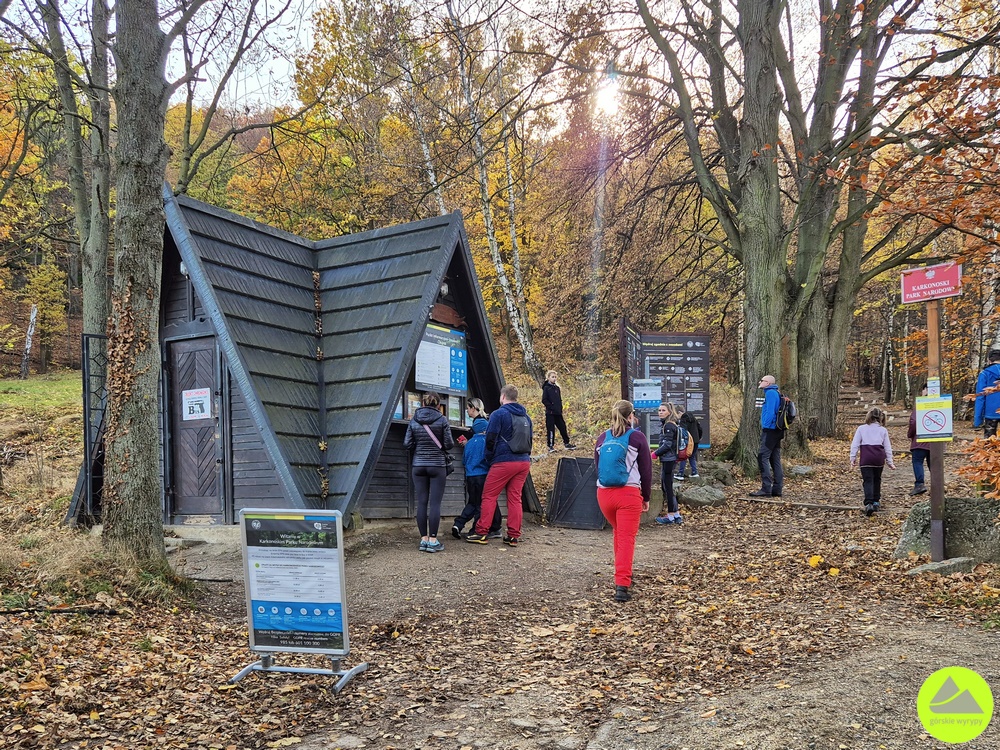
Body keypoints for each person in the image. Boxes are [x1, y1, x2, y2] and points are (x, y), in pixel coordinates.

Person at [594, 400, 653, 602]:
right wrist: (646, 497)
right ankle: (622, 586)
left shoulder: (603, 437)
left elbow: (598, 467)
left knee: (619, 534)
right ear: (631, 416)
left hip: (604, 494)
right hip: (628, 494)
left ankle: (623, 573)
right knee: (627, 539)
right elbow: (646, 470)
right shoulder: (637, 437)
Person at [466, 385, 532, 546]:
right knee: (515, 499)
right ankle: (513, 536)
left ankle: (481, 532)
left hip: (504, 461)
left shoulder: (499, 414)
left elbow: (490, 439)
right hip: (523, 461)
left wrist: (489, 457)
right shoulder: (526, 417)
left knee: (489, 496)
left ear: (503, 397)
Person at [403, 391, 454, 552]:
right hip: (437, 465)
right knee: (435, 503)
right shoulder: (442, 419)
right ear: (438, 404)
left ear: (422, 404)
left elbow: (407, 444)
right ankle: (433, 540)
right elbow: (449, 444)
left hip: (418, 465)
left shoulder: (414, 420)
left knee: (422, 502)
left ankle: (423, 540)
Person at [452, 399, 502, 539]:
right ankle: (485, 528)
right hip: (483, 472)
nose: (467, 411)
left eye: (468, 408)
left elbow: (465, 460)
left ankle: (465, 525)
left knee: (476, 502)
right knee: (485, 501)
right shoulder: (483, 438)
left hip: (473, 474)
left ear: (474, 408)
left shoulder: (475, 433)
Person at [850, 406, 896, 516]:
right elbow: (887, 447)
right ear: (881, 417)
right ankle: (876, 501)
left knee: (868, 480)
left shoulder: (861, 429)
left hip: (866, 458)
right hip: (878, 458)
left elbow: (855, 444)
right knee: (877, 479)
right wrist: (890, 462)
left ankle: (869, 502)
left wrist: (853, 458)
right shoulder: (883, 430)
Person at [749, 375, 784, 497]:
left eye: (763, 380)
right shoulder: (776, 392)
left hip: (770, 430)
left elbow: (770, 412)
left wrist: (766, 425)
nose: (760, 382)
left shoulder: (770, 393)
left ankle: (766, 488)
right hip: (777, 431)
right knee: (775, 459)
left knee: (762, 457)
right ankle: (777, 488)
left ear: (768, 383)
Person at [652, 403, 682, 525]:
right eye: (659, 410)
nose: (660, 412)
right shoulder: (671, 424)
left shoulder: (669, 425)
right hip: (670, 458)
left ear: (669, 412)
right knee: (667, 486)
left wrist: (655, 453)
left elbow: (667, 444)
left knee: (667, 487)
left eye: (663, 410)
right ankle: (676, 514)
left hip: (668, 459)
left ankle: (670, 515)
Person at [541, 370, 576, 451]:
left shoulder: (557, 388)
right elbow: (544, 400)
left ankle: (567, 443)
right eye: (552, 377)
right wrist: (551, 407)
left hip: (558, 413)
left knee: (563, 427)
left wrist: (560, 408)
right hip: (550, 413)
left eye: (555, 377)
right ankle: (550, 446)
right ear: (548, 378)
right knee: (551, 429)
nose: (554, 379)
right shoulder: (546, 388)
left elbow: (559, 400)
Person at [907, 383, 931, 496]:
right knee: (933, 463)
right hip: (936, 441)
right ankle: (938, 485)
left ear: (925, 390)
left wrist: (910, 434)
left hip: (920, 440)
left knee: (917, 461)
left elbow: (914, 421)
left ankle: (919, 484)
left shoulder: (922, 404)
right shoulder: (940, 404)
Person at [973, 350, 1000, 437]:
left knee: (989, 443)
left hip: (990, 412)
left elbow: (980, 397)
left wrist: (978, 420)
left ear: (989, 360)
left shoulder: (985, 374)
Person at [675, 406, 703, 480]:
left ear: (679, 413)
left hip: (688, 441)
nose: (677, 417)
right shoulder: (693, 418)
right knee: (692, 457)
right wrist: (699, 438)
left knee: (683, 456)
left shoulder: (683, 420)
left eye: (676, 415)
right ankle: (695, 472)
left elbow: (683, 432)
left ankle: (680, 474)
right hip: (696, 441)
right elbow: (700, 429)